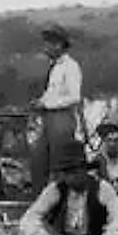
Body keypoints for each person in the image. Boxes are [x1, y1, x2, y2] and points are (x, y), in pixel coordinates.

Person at [19, 140, 118, 235]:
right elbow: (28, 219)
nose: (70, 177)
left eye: (74, 172)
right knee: (39, 229)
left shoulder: (102, 188)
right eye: (66, 173)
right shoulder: (55, 189)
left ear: (84, 170)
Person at [28, 24, 83, 195]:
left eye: (49, 44)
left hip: (62, 120)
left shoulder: (71, 66)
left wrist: (48, 104)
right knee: (39, 160)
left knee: (60, 164)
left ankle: (61, 202)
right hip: (48, 119)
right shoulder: (54, 67)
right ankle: (39, 202)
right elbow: (52, 93)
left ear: (59, 45)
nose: (45, 48)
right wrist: (40, 102)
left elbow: (74, 96)